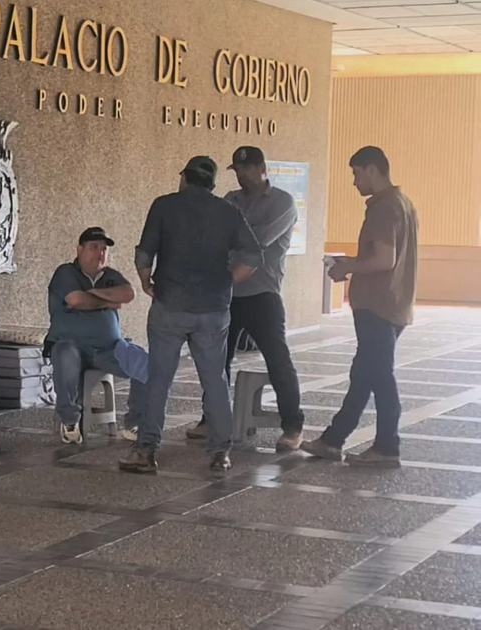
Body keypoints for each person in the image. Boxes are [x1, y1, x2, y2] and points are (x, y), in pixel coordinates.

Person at [124, 156, 262, 474]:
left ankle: (146, 451)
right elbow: (255, 256)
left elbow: (144, 253)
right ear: (212, 184)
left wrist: (146, 283)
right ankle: (220, 453)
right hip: (213, 310)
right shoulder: (228, 211)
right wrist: (228, 281)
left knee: (159, 379)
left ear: (184, 177)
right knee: (215, 380)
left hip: (169, 306)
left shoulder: (164, 206)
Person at [302, 147, 418, 467]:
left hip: (378, 306)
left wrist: (346, 266)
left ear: (372, 170)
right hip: (394, 304)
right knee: (364, 374)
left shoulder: (383, 208)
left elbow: (384, 259)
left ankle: (387, 446)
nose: (353, 181)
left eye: (355, 173)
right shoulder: (404, 204)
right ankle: (333, 439)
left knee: (379, 376)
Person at [187, 147, 306, 451]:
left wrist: (231, 238)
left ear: (262, 167)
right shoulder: (230, 200)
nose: (240, 175)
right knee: (217, 359)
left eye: (246, 169)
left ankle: (292, 426)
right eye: (237, 170)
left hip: (263, 294)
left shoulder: (282, 202)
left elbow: (257, 242)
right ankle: (210, 418)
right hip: (228, 292)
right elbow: (214, 236)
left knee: (278, 359)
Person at [45, 227, 146, 445]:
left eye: (103, 249)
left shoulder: (110, 275)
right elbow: (75, 300)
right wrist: (109, 302)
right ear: (80, 249)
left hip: (108, 348)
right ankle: (70, 420)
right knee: (64, 354)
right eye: (93, 247)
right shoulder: (66, 272)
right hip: (72, 345)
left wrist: (91, 294)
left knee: (143, 361)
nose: (100, 253)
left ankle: (134, 423)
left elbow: (128, 294)